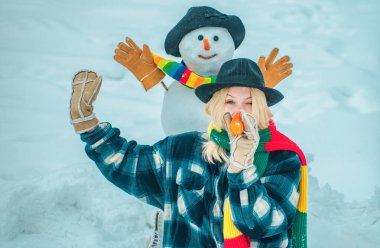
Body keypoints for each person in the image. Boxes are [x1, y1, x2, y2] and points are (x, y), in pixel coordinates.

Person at [69, 58, 307, 247]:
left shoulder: (283, 159)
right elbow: (132, 166)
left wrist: (242, 168)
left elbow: (265, 225)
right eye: (230, 101)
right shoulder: (184, 149)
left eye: (250, 103)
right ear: (215, 106)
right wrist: (89, 127)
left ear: (263, 109)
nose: (239, 112)